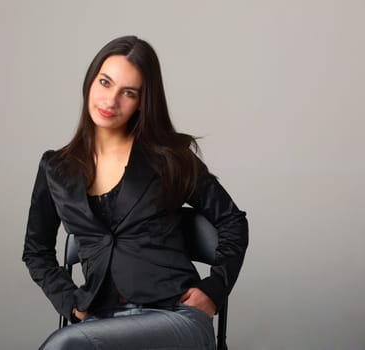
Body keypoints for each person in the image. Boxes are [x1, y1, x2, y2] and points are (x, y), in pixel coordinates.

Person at [22, 35, 248, 350]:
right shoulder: (55, 168)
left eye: (128, 93)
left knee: (65, 346)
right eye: (105, 82)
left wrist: (215, 288)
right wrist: (70, 300)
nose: (110, 101)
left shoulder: (169, 157)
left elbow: (232, 220)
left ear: (142, 102)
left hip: (175, 317)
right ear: (90, 81)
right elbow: (36, 251)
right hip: (100, 321)